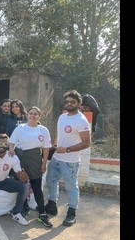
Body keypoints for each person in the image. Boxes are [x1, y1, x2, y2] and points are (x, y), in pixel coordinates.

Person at [45, 90, 92, 227]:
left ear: (79, 103)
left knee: (71, 186)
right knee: (51, 180)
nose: (69, 104)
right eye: (67, 102)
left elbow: (86, 143)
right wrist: (54, 145)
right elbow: (60, 135)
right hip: (57, 157)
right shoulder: (63, 117)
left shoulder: (81, 120)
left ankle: (72, 212)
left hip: (70, 160)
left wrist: (67, 149)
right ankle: (52, 205)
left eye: (72, 102)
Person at [7, 106, 53, 227]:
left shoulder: (43, 130)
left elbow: (46, 148)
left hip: (35, 160)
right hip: (21, 158)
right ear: (27, 115)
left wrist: (43, 164)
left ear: (39, 116)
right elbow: (11, 142)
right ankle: (22, 209)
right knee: (21, 185)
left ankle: (42, 214)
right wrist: (11, 149)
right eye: (30, 113)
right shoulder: (20, 128)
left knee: (36, 187)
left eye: (35, 114)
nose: (32, 116)